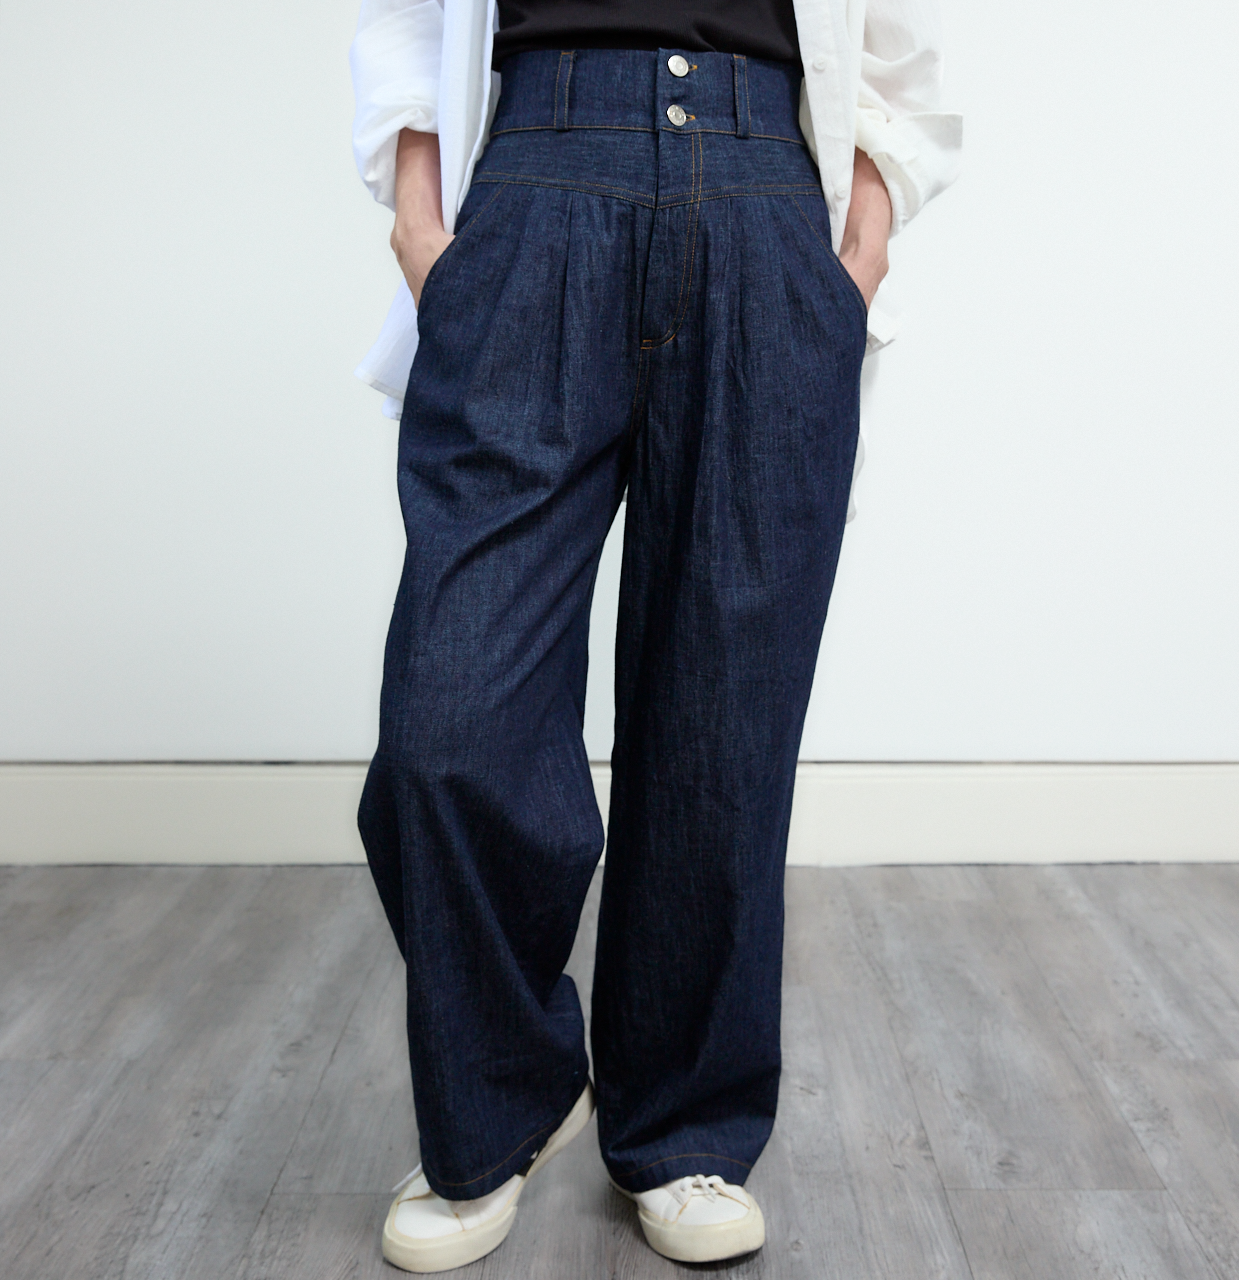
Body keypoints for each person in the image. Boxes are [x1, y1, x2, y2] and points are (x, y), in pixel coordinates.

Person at [349, 0, 960, 1270]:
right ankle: (503, 1098)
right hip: (534, 183)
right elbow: (407, 16)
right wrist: (420, 224)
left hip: (760, 199)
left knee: (722, 724)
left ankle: (683, 1127)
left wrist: (856, 250)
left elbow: (893, 37)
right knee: (444, 724)